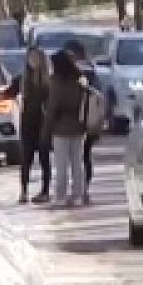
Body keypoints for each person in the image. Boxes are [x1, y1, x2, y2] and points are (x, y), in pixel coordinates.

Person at [0, 47, 52, 204]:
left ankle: (45, 191)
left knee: (44, 158)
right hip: (27, 121)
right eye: (30, 58)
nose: (32, 61)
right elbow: (9, 92)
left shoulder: (49, 81)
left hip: (43, 123)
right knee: (26, 158)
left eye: (35, 58)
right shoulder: (22, 79)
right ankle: (24, 191)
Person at [62, 39, 108, 206]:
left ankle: (78, 190)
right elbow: (100, 98)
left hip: (75, 121)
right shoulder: (91, 71)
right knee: (84, 156)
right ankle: (84, 190)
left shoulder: (77, 72)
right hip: (89, 121)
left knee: (74, 157)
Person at [43, 50, 90, 208]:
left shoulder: (56, 83)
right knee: (77, 162)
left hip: (60, 129)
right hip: (78, 127)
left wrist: (45, 131)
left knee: (61, 164)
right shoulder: (79, 81)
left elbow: (52, 109)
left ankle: (61, 196)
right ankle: (78, 194)